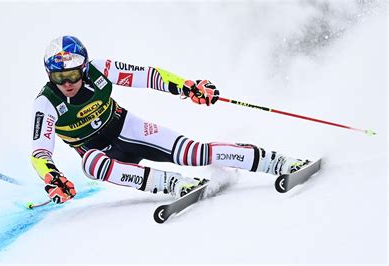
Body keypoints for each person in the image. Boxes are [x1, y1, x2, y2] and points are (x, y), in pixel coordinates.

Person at [31, 35, 310, 204]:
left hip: (127, 127)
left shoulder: (100, 70)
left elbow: (148, 75)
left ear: (84, 68)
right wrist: (52, 178)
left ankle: (277, 162)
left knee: (193, 153)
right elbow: (40, 151)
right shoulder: (47, 102)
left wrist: (187, 86)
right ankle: (173, 184)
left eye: (72, 75)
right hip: (99, 153)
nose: (66, 83)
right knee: (90, 165)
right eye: (58, 77)